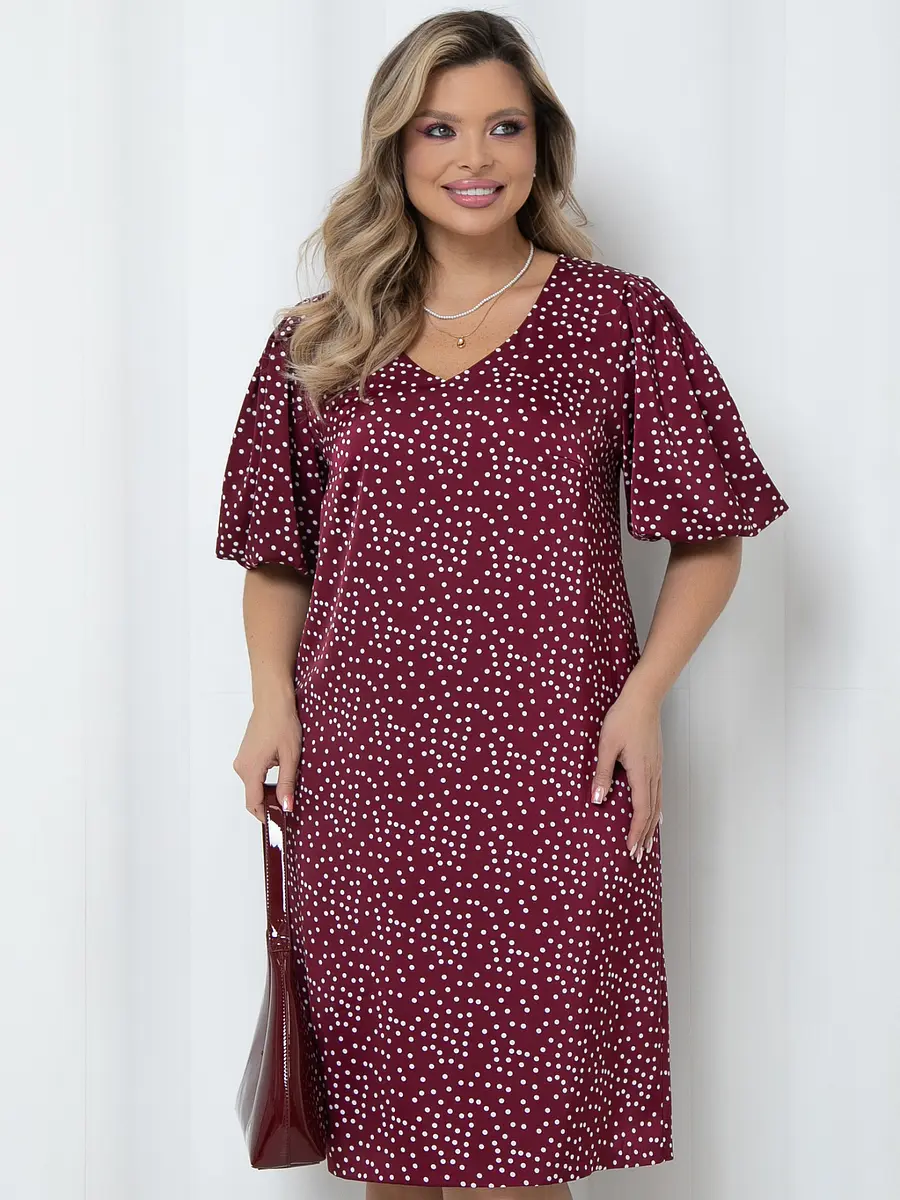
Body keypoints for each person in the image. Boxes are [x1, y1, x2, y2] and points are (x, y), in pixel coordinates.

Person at [214, 10, 789, 1199]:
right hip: (368, 779)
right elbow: (278, 556)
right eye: (439, 129)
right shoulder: (322, 339)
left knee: (523, 1152)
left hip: (557, 767)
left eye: (504, 128)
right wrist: (272, 701)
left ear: (541, 146)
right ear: (395, 148)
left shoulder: (621, 320)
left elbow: (712, 533)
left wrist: (642, 700)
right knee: (391, 1148)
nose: (473, 157)